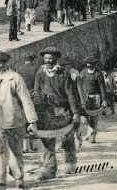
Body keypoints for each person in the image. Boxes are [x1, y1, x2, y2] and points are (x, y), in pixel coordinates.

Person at [0, 51, 38, 190]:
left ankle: (19, 179)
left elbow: (26, 100)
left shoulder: (15, 78)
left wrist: (32, 121)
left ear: (0, 63)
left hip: (15, 122)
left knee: (16, 151)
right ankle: (0, 181)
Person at [33, 47, 80, 180]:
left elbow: (71, 94)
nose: (48, 61)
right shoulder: (40, 73)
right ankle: (50, 169)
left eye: (51, 58)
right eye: (46, 58)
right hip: (46, 111)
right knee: (47, 139)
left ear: (56, 59)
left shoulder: (63, 74)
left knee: (67, 138)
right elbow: (36, 91)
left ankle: (70, 163)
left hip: (63, 110)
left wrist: (75, 112)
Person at [15, 53, 39, 153]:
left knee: (23, 121)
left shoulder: (19, 69)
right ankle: (33, 145)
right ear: (33, 60)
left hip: (21, 98)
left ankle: (25, 146)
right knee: (32, 121)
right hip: (33, 97)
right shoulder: (36, 69)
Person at [80, 57, 107, 143]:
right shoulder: (83, 73)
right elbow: (79, 86)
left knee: (94, 118)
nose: (90, 65)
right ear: (86, 64)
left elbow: (102, 88)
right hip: (85, 97)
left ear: (95, 64)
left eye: (91, 63)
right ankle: (90, 130)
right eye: (88, 63)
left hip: (96, 97)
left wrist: (104, 100)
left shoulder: (98, 74)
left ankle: (92, 137)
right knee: (84, 117)